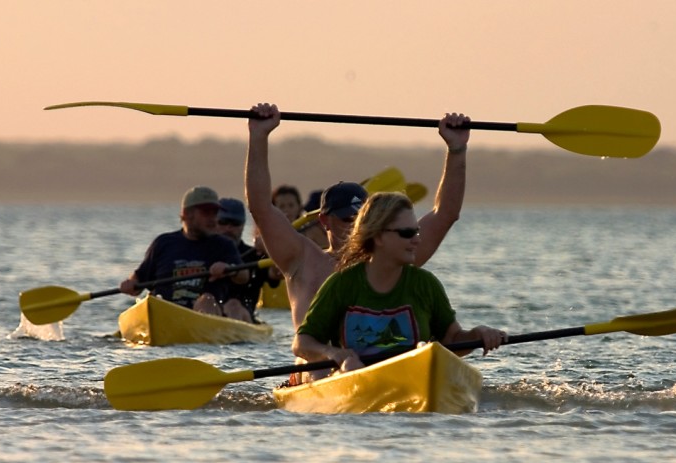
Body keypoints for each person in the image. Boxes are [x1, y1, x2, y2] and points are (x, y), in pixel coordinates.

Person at [244, 102, 471, 332]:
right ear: (325, 221)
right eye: (347, 220)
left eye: (361, 219)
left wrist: (457, 149)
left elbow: (446, 214)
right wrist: (259, 136)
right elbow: (261, 208)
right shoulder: (300, 258)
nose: (356, 228)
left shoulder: (391, 255)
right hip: (316, 365)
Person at [293, 192, 506, 376]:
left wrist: (479, 333)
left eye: (417, 231)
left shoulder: (425, 284)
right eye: (407, 233)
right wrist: (337, 354)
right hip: (356, 383)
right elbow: (302, 344)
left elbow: (451, 340)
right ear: (377, 237)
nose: (417, 240)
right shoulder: (341, 285)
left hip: (412, 377)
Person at [119, 186, 249, 318]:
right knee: (151, 300)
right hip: (165, 310)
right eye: (206, 213)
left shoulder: (223, 245)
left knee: (206, 300)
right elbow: (139, 279)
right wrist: (130, 284)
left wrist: (230, 269)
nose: (212, 218)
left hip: (205, 311)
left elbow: (244, 277)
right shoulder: (163, 243)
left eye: (215, 213)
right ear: (187, 214)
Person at [216, 197, 282, 323]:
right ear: (214, 222)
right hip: (208, 311)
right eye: (223, 222)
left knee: (233, 305)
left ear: (242, 225)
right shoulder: (203, 253)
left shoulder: (255, 256)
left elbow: (278, 273)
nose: (228, 229)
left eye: (235, 223)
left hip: (243, 317)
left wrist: (269, 249)